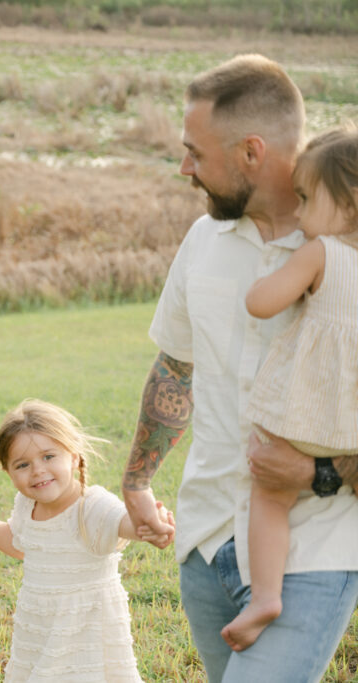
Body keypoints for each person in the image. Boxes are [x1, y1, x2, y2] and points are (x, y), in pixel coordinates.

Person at [121, 54, 358, 682]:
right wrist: (138, 480)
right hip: (203, 539)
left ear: (251, 152)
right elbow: (177, 365)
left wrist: (318, 473)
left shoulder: (347, 264)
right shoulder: (203, 241)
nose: (184, 168)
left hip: (313, 546)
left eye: (195, 152)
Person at [221, 127, 358, 651]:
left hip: (306, 418)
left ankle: (266, 596)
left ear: (346, 204)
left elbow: (261, 303)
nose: (298, 214)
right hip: (349, 431)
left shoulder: (321, 252)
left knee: (270, 493)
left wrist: (276, 272)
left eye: (306, 199)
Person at [0, 399, 173, 682]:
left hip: (86, 637)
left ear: (74, 457)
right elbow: (17, 543)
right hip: (40, 630)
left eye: (49, 457)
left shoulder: (92, 506)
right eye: (23, 465)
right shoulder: (26, 505)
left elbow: (122, 522)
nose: (38, 471)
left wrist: (148, 523)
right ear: (9, 473)